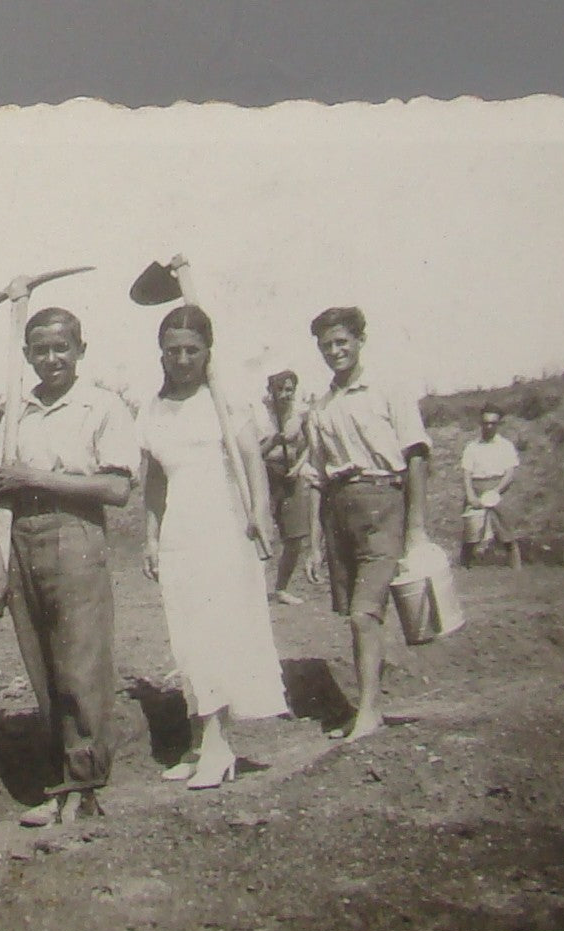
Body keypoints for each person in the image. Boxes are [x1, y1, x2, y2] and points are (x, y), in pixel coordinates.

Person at [0, 306, 137, 826]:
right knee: (41, 664)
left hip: (75, 531)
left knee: (80, 665)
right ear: (26, 355)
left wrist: (35, 478)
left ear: (80, 350)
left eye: (61, 347)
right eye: (40, 350)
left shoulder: (102, 406)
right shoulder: (16, 413)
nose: (51, 358)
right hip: (21, 536)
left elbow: (117, 488)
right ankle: (58, 781)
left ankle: (84, 786)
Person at [138, 306, 287, 789]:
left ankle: (219, 746)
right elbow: (154, 481)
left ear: (207, 352)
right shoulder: (153, 409)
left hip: (224, 528)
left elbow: (252, 460)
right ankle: (202, 741)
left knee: (216, 634)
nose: (182, 359)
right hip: (179, 533)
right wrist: (151, 537)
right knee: (187, 637)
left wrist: (260, 512)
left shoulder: (224, 399)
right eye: (173, 351)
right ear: (161, 354)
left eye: (192, 350)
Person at [303, 306, 431, 741]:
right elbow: (317, 479)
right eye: (326, 345)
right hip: (341, 512)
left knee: (364, 614)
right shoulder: (321, 408)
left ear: (360, 341)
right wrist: (315, 544)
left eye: (342, 342)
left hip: (384, 503)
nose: (335, 351)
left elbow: (416, 456)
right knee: (357, 617)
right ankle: (366, 707)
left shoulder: (388, 389)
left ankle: (370, 711)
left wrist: (416, 527)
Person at [261, 370, 324, 603]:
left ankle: (281, 588)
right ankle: (253, 589)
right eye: (280, 389)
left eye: (289, 390)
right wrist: (274, 441)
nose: (285, 394)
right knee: (260, 537)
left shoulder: (300, 415)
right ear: (270, 390)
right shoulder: (261, 416)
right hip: (266, 475)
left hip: (291, 476)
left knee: (295, 537)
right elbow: (253, 455)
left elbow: (310, 446)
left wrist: (298, 468)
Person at [459, 406, 522, 569]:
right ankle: (465, 568)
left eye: (493, 423)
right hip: (477, 487)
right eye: (486, 423)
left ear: (498, 424)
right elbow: (466, 473)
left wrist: (496, 491)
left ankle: (516, 569)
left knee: (506, 531)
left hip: (499, 488)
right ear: (481, 423)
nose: (489, 426)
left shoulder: (506, 445)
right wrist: (470, 495)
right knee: (471, 531)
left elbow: (510, 473)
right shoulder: (472, 447)